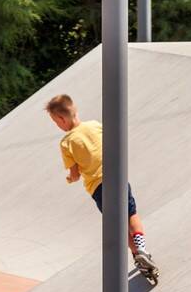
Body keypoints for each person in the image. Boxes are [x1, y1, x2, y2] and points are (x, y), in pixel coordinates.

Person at [45, 93, 157, 277]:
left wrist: (70, 179)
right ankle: (142, 248)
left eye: (56, 123)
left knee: (118, 223)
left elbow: (75, 174)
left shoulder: (66, 143)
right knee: (131, 214)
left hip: (98, 188)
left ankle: (137, 255)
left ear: (61, 119)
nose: (57, 126)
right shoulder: (95, 125)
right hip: (117, 176)